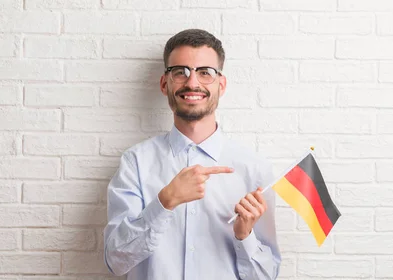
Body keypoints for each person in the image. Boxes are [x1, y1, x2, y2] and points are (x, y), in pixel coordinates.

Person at [103, 29, 281, 280]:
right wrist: (164, 202)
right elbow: (116, 261)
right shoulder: (136, 163)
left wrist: (245, 236)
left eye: (205, 72)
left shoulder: (254, 169)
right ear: (165, 84)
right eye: (180, 72)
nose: (192, 83)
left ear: (221, 84)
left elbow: (265, 277)